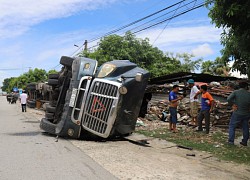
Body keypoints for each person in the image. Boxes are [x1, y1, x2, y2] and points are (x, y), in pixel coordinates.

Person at [227, 81, 250, 146]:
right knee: (245, 127)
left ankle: (231, 142)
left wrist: (233, 104)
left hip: (237, 112)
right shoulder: (249, 94)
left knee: (232, 126)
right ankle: (245, 142)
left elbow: (228, 99)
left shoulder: (236, 92)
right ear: (246, 86)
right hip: (246, 113)